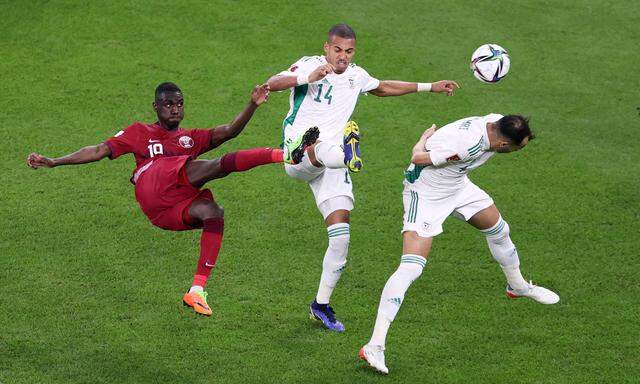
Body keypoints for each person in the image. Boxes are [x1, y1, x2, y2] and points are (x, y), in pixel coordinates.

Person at [26, 82, 318, 316]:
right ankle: (284, 154)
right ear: (156, 106)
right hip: (151, 185)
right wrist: (54, 161)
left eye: (179, 104)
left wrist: (252, 105)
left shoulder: (190, 138)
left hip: (165, 213)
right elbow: (99, 149)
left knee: (212, 210)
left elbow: (229, 131)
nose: (174, 109)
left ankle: (197, 290)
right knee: (208, 166)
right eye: (168, 104)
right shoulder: (140, 132)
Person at [266, 23, 460, 332]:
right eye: (338, 50)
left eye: (349, 51)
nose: (343, 57)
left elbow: (382, 87)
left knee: (341, 236)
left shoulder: (356, 75)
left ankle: (321, 305)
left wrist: (430, 86)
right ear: (326, 48)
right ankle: (339, 152)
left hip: (332, 168)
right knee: (318, 146)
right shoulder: (309, 64)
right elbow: (272, 83)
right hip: (297, 154)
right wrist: (307, 77)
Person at [358, 114, 560, 374]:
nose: (518, 152)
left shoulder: (497, 122)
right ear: (502, 146)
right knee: (411, 268)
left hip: (457, 186)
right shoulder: (469, 146)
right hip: (426, 193)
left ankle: (518, 286)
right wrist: (421, 141)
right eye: (518, 149)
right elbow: (417, 158)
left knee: (500, 230)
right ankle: (374, 345)